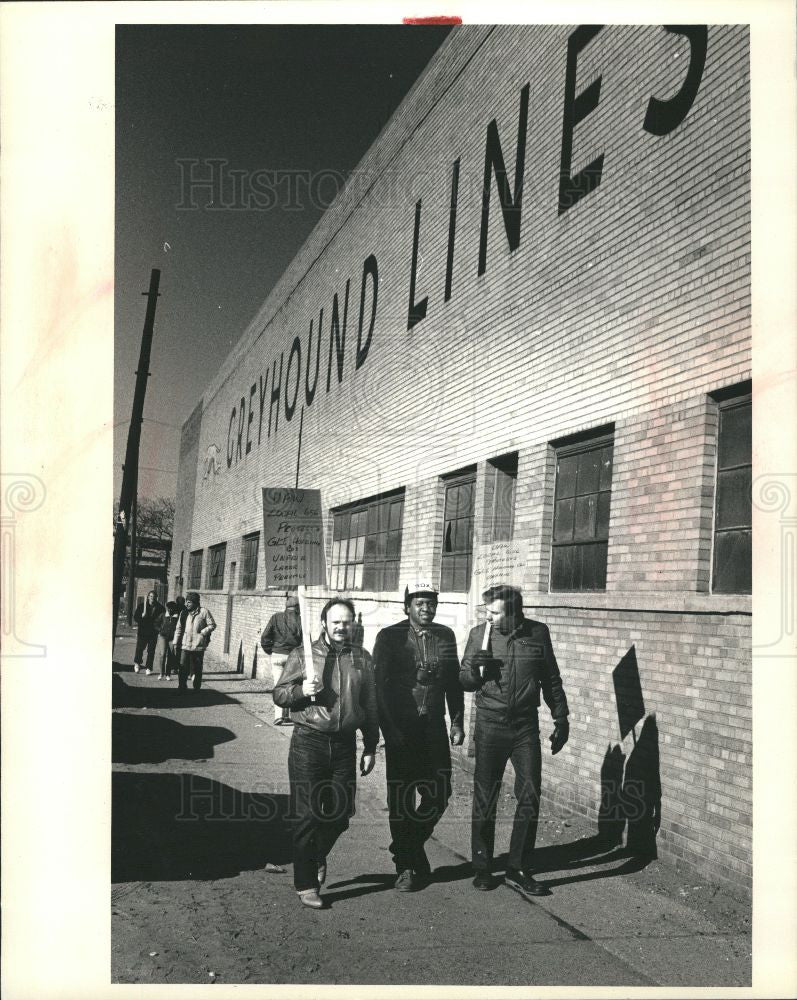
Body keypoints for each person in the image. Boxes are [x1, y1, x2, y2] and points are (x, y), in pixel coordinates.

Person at [461, 585, 570, 897]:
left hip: (524, 726)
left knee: (530, 794)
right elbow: (463, 680)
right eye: (488, 611)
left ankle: (518, 867)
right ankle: (482, 867)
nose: (489, 617)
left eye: (495, 612)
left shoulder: (537, 634)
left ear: (513, 611)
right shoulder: (479, 634)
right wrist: (477, 672)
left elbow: (551, 678)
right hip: (490, 724)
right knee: (486, 796)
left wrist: (561, 717)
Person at [273, 598, 378, 909]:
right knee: (306, 816)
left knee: (340, 814)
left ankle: (315, 855)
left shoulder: (362, 657)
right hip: (309, 742)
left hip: (345, 744)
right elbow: (279, 693)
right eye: (335, 622)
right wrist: (301, 691)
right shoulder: (304, 654)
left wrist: (371, 745)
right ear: (323, 624)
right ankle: (306, 883)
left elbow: (369, 704)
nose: (341, 627)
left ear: (353, 625)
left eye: (346, 622)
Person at [373, 581, 464, 892]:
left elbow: (453, 682)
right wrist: (389, 730)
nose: (426, 609)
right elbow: (379, 688)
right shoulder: (389, 637)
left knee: (439, 792)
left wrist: (457, 721)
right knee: (401, 798)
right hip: (401, 728)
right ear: (407, 607)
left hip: (433, 727)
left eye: (431, 603)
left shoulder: (446, 636)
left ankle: (405, 846)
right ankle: (407, 867)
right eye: (420, 603)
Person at [260, 594, 303, 725]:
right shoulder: (301, 620)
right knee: (291, 686)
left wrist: (271, 650)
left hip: (277, 656)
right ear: (297, 607)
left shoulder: (275, 617)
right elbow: (305, 642)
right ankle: (289, 715)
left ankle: (278, 716)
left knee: (278, 686)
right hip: (293, 657)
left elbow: (265, 637)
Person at [174, 591, 216, 691]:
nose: (186, 604)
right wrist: (176, 642)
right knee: (183, 667)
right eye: (186, 602)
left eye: (189, 602)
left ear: (195, 602)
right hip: (185, 644)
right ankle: (182, 687)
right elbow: (178, 628)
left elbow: (212, 625)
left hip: (198, 645)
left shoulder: (204, 612)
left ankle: (196, 688)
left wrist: (203, 632)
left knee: (197, 668)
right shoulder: (183, 613)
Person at [132, 590, 164, 675]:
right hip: (142, 631)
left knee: (151, 651)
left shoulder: (160, 607)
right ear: (148, 597)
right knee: (140, 648)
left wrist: (159, 628)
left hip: (153, 632)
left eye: (153, 597)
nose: (152, 598)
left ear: (156, 598)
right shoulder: (142, 606)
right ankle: (137, 664)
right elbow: (135, 617)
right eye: (150, 596)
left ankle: (149, 667)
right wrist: (141, 616)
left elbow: (163, 620)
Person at [155, 600, 180, 680]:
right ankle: (161, 673)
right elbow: (155, 623)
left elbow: (180, 627)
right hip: (163, 636)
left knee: (170, 655)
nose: (170, 610)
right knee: (162, 654)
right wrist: (160, 629)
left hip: (172, 638)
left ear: (174, 609)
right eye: (168, 608)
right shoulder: (163, 615)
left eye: (171, 609)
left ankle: (168, 674)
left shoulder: (177, 617)